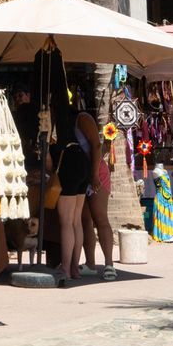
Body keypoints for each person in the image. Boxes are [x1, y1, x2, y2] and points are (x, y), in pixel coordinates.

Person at [76, 108, 117, 279]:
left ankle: (109, 264)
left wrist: (94, 175)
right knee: (85, 219)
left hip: (96, 173)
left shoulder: (82, 118)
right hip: (82, 173)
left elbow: (96, 146)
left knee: (100, 218)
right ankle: (90, 263)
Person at [52, 107, 92, 284]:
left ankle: (66, 268)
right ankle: (74, 267)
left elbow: (48, 162)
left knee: (66, 222)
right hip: (82, 161)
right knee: (76, 220)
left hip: (68, 163)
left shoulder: (54, 123)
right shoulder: (74, 120)